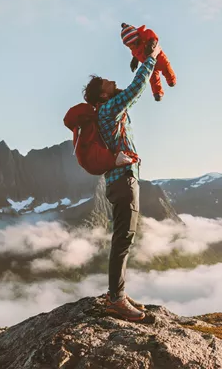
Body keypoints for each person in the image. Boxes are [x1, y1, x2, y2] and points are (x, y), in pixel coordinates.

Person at [82, 42, 162, 321]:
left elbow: (128, 91)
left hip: (121, 180)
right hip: (124, 181)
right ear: (103, 93)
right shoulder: (107, 108)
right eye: (108, 82)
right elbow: (135, 90)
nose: (112, 81)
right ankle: (117, 299)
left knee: (123, 237)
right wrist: (149, 59)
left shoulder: (107, 109)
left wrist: (138, 61)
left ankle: (117, 294)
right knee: (124, 238)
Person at [120, 22, 176, 102]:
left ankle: (171, 80)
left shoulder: (146, 34)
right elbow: (135, 55)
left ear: (134, 40)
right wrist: (134, 61)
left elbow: (153, 37)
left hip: (158, 57)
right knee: (152, 78)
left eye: (130, 45)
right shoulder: (134, 50)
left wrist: (151, 45)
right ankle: (157, 93)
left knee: (166, 68)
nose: (130, 48)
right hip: (149, 64)